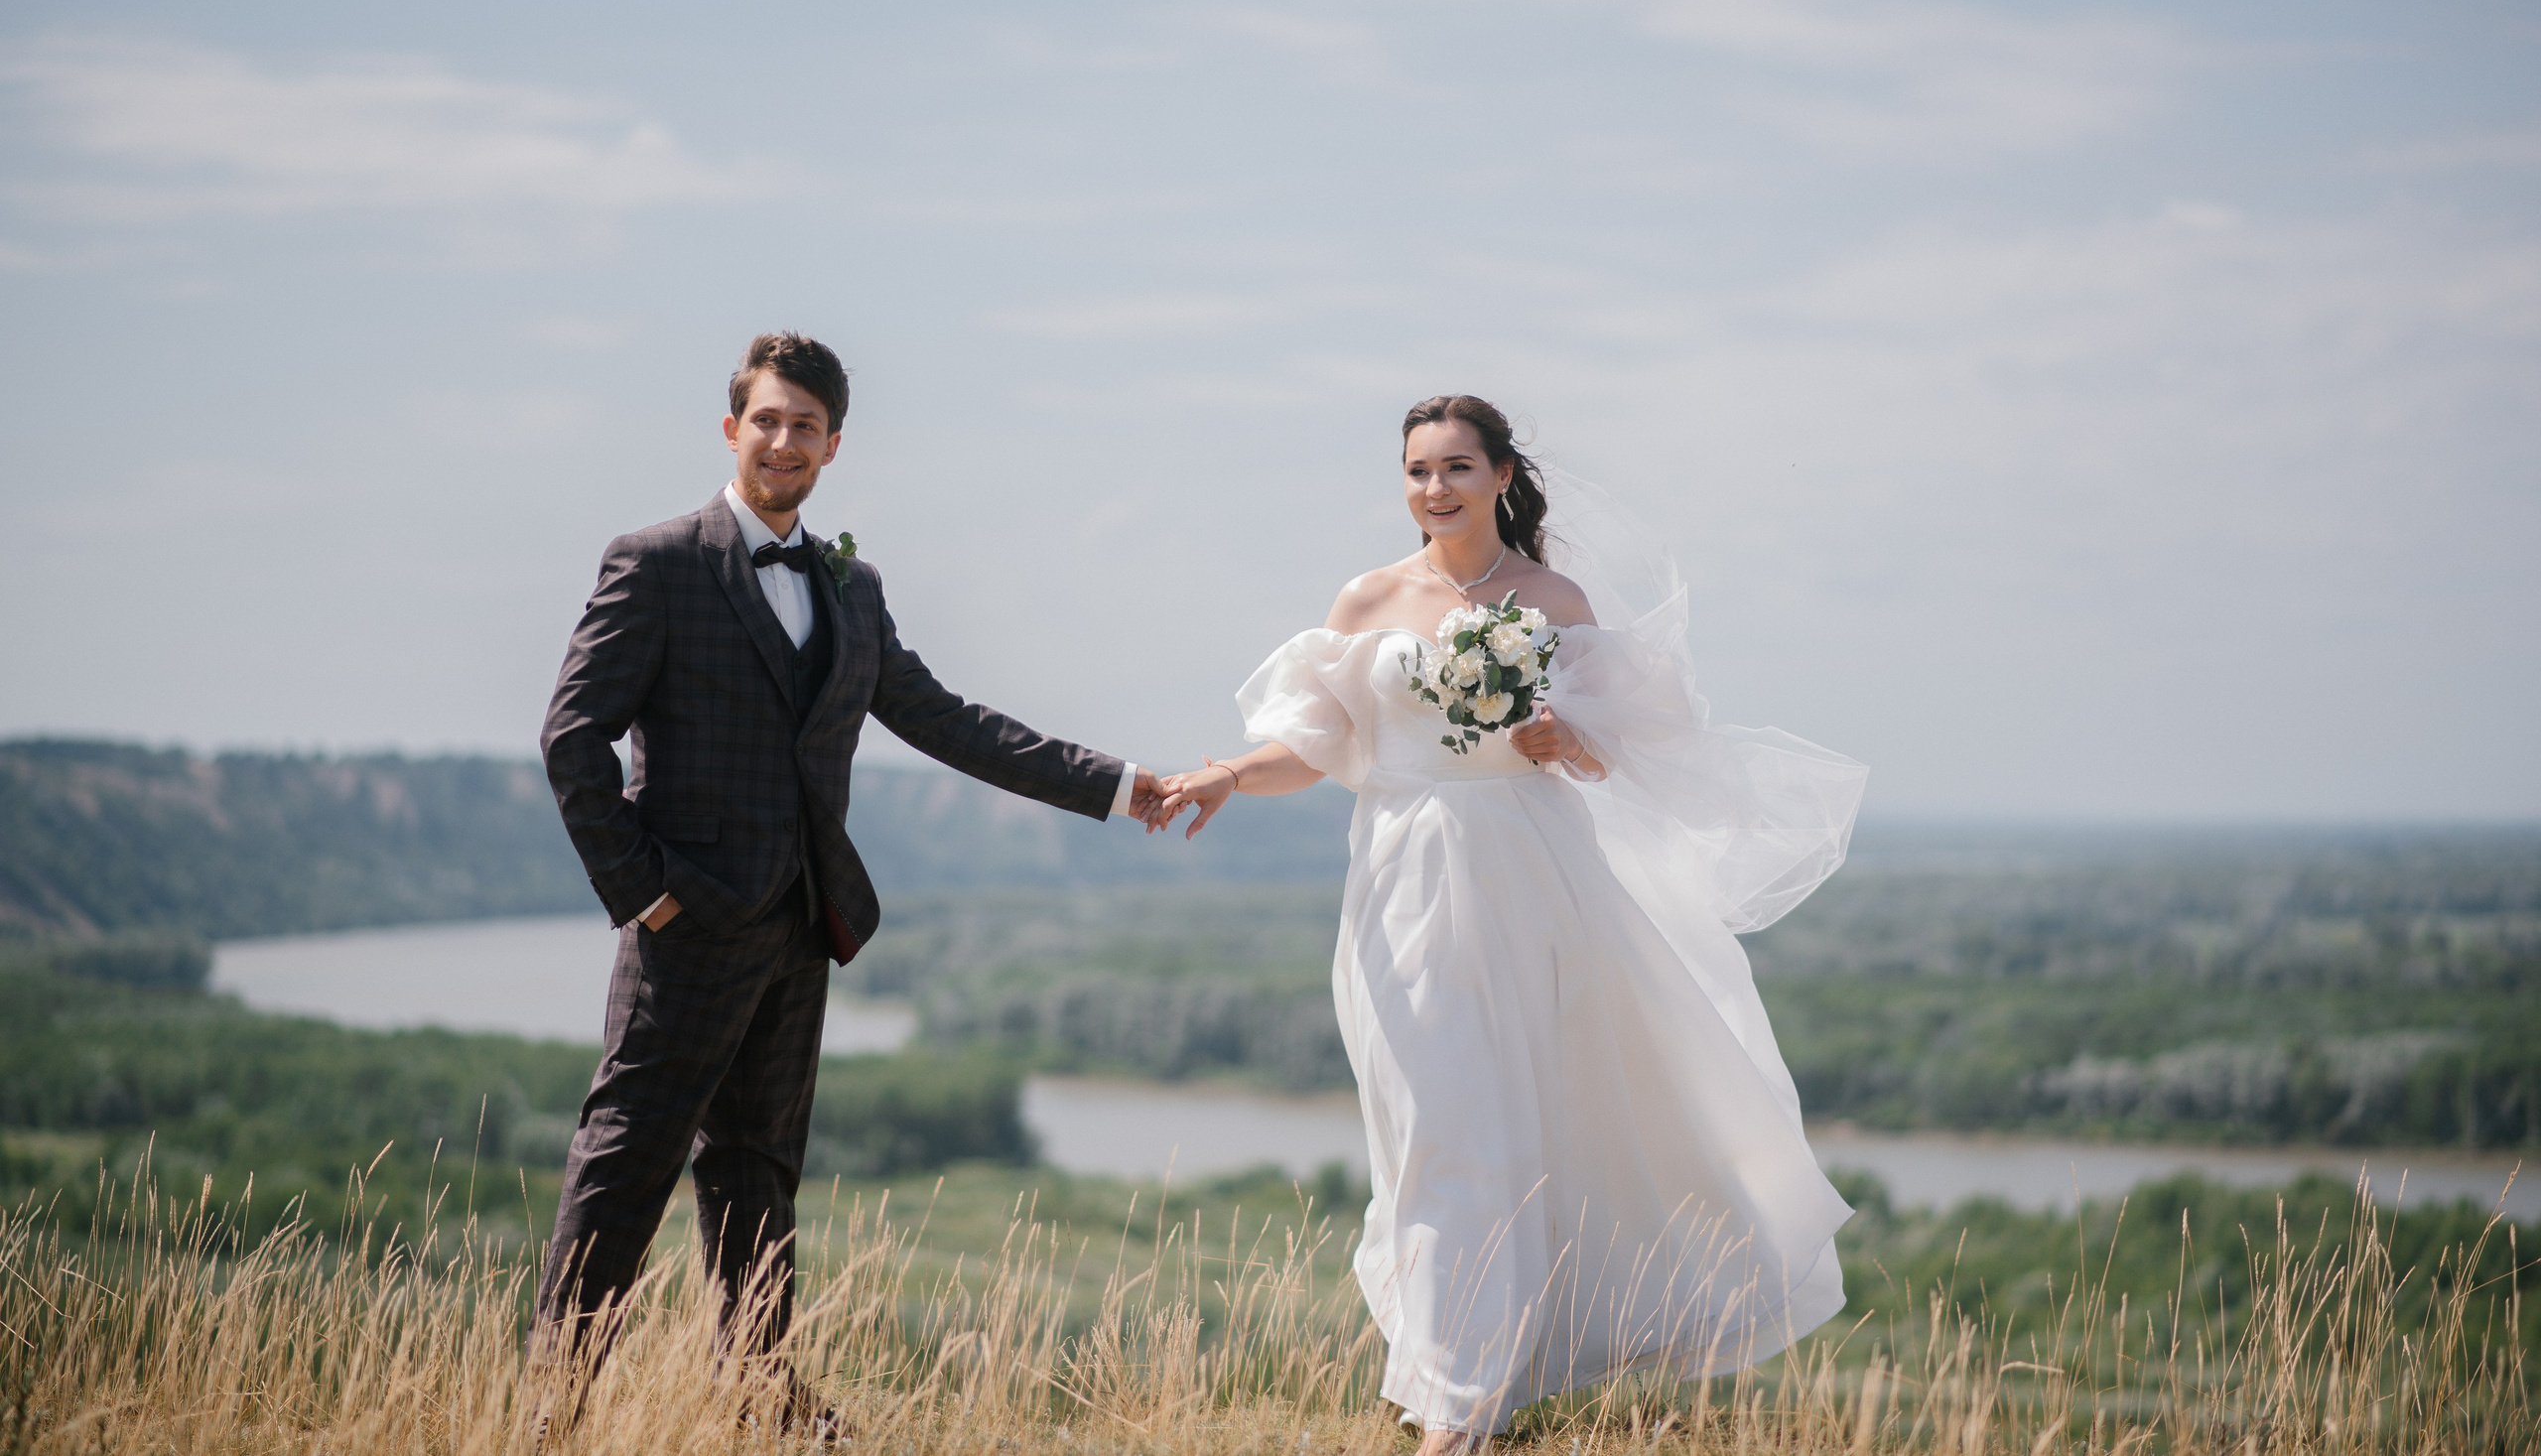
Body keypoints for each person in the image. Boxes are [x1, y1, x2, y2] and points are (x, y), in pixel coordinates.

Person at [1155, 394, 1866, 1450]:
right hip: (1403, 882)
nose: (1434, 487)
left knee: (1514, 1128)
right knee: (1433, 1126)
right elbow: (1314, 745)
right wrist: (1224, 773)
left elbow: (1617, 745)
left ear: (1499, 475)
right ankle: (1459, 1382)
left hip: (1533, 880)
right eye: (1417, 469)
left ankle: (1460, 1411)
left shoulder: (1551, 598)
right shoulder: (1367, 598)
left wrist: (1561, 737)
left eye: (1455, 466)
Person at [533, 333, 1163, 1429]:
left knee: (759, 1170)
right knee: (624, 1163)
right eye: (767, 420)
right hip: (684, 926)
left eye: (807, 426)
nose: (784, 441)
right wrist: (641, 889)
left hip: (798, 923)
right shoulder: (657, 561)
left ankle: (762, 1395)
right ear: (732, 428)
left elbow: (946, 720)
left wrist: (1113, 784)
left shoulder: (850, 585)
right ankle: (550, 1408)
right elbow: (570, 735)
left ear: (834, 445)